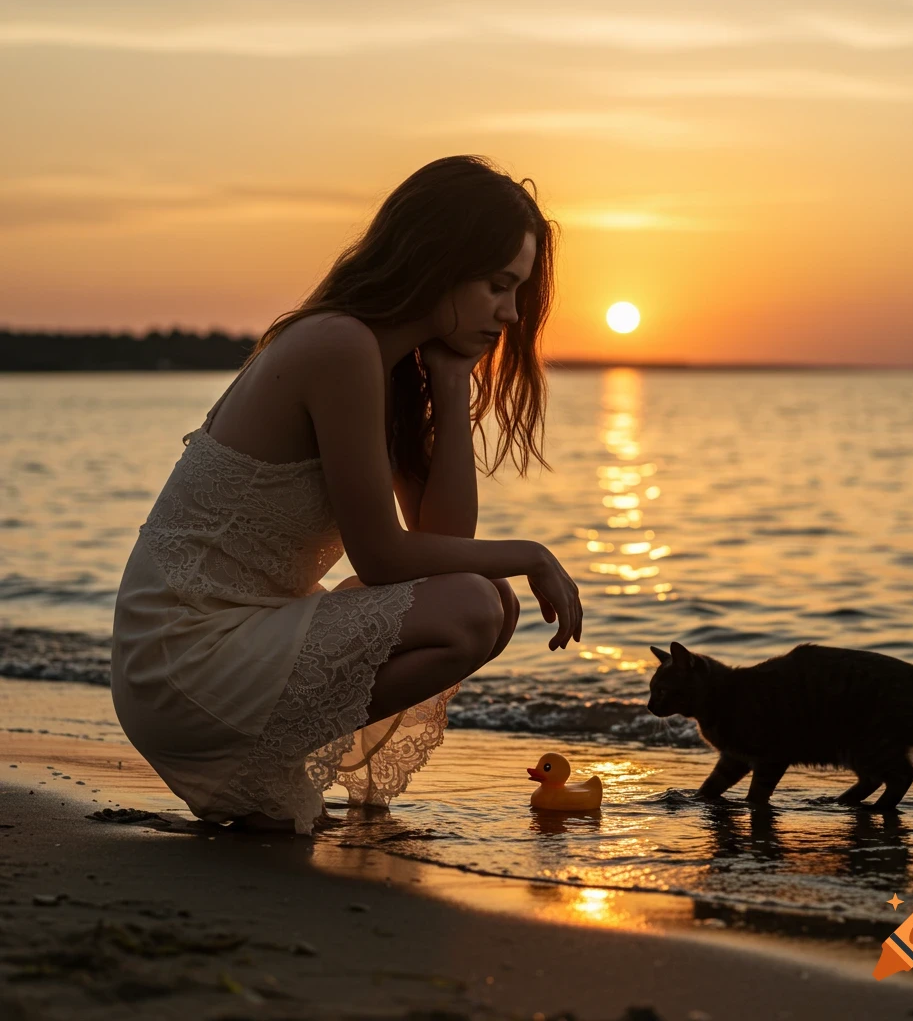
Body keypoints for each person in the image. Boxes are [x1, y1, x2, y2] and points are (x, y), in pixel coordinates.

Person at [110, 155, 583, 835]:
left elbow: (443, 547)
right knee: (480, 601)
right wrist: (532, 554)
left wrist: (451, 392)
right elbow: (386, 556)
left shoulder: (384, 365)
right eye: (498, 286)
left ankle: (275, 758)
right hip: (184, 658)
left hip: (219, 651)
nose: (509, 313)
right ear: (439, 261)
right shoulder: (338, 344)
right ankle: (274, 752)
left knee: (487, 602)